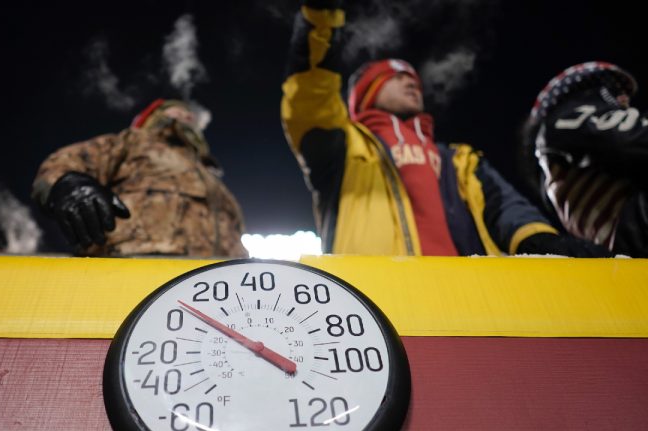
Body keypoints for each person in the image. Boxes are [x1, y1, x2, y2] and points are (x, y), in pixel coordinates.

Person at [280, 0, 608, 256]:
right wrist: (321, 19)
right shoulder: (342, 146)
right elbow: (311, 91)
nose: (412, 82)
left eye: (414, 77)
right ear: (366, 92)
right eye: (396, 77)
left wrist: (540, 241)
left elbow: (507, 209)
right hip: (374, 299)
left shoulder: (459, 160)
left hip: (467, 300)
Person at [31, 99, 248, 258]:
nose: (187, 116)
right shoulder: (134, 142)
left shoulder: (211, 176)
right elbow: (65, 162)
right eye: (176, 111)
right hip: (134, 262)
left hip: (212, 279)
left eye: (189, 115)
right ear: (155, 117)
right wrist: (69, 184)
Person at [525, 61, 648, 257]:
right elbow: (624, 141)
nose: (624, 101)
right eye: (612, 91)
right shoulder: (563, 121)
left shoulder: (554, 172)